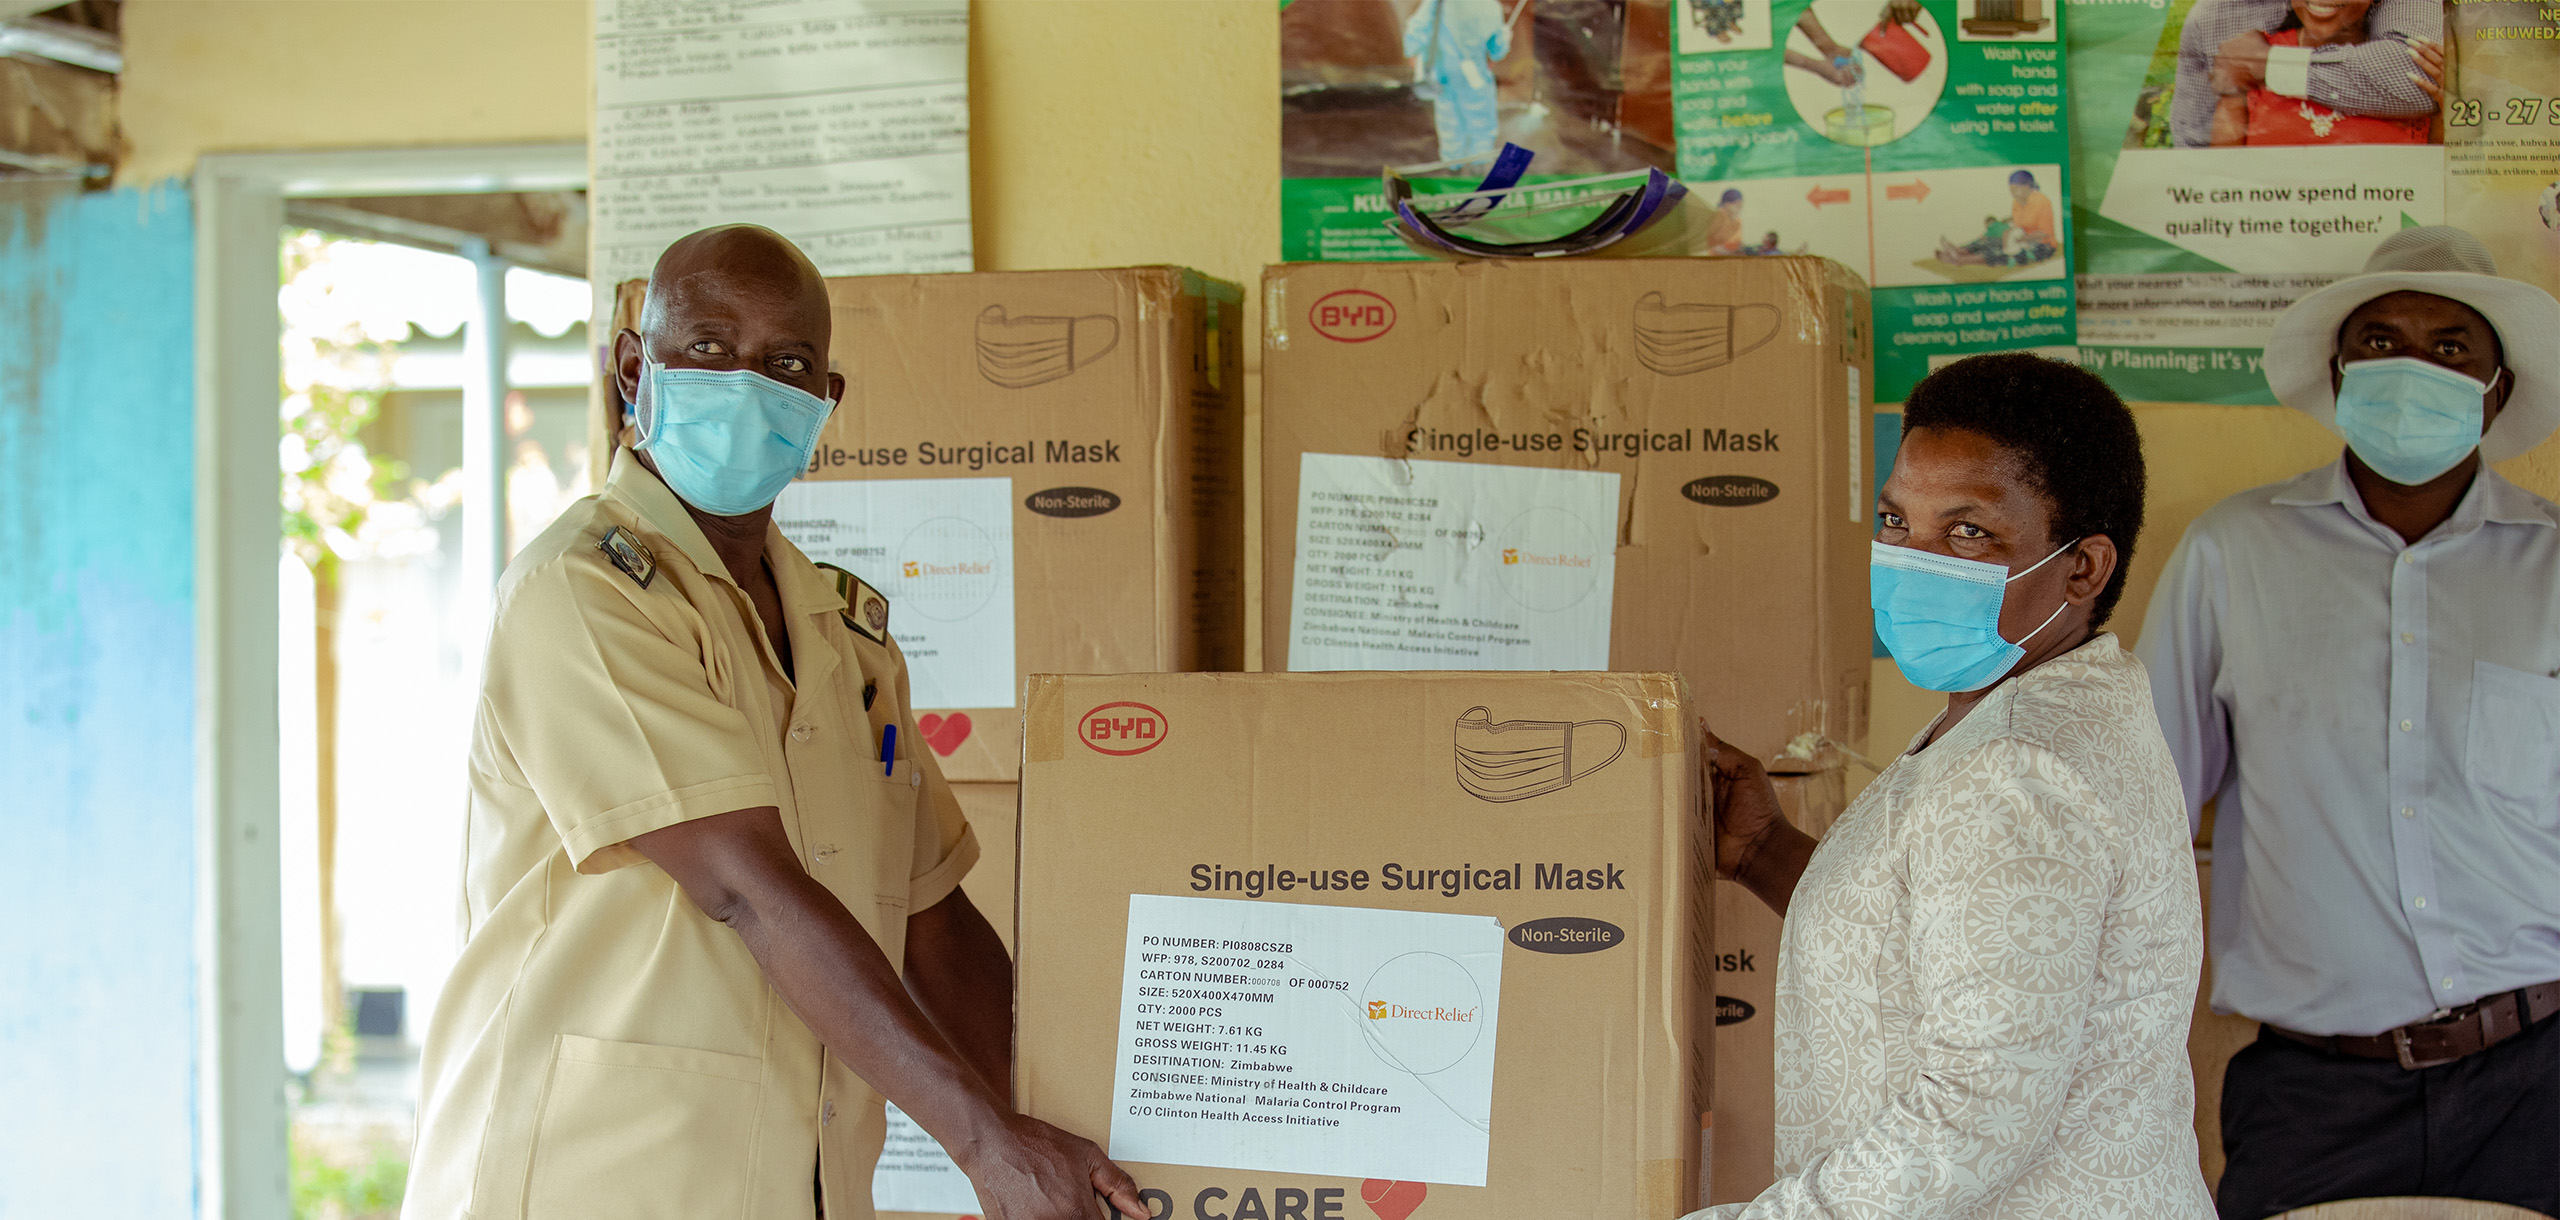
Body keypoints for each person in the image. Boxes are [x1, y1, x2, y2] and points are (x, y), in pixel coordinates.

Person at [403, 225, 1146, 1220]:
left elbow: (932, 922)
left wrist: (1073, 1131)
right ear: (635, 369)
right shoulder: (582, 594)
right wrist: (982, 1139)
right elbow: (744, 884)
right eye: (708, 347)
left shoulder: (845, 636)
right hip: (591, 1177)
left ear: (823, 403)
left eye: (786, 363)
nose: (747, 384)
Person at [1689, 353, 2213, 1219]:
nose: (1914, 560)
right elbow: (1945, 933)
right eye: (1896, 520)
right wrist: (1763, 853)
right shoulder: (2050, 703)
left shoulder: (2019, 770)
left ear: (2083, 569)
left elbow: (1974, 1114)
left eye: (1969, 532)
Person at [2136, 226, 2560, 1219]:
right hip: (2313, 1092)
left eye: (2450, 346)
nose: (2410, 366)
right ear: (2336, 374)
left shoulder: (2552, 567)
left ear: (2495, 388)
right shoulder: (2232, 552)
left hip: (2537, 1075)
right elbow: (2144, 807)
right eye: (2378, 342)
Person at [2170, 0, 2439, 147]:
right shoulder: (2235, 49)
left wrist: (2270, 65)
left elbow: (2439, 167)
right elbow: (2216, 174)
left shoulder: (2249, 59)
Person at [1403, 0, 1514, 166]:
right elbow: (1496, 51)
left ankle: (1453, 166)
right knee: (1481, 123)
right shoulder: (1490, 6)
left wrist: (1412, 51)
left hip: (1444, 73)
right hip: (1475, 75)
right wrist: (1504, 37)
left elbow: (1418, 27)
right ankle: (1479, 165)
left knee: (1449, 123)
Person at [1936, 171, 2056, 267]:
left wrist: (2020, 239)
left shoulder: (2042, 203)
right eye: (2011, 190)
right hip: (2021, 238)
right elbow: (2019, 217)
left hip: (2041, 245)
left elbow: (2044, 233)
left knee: (2001, 253)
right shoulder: (2017, 202)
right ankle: (1959, 251)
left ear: (2027, 187)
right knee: (1990, 241)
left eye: (2016, 189)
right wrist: (2007, 225)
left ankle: (1960, 260)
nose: (2013, 193)